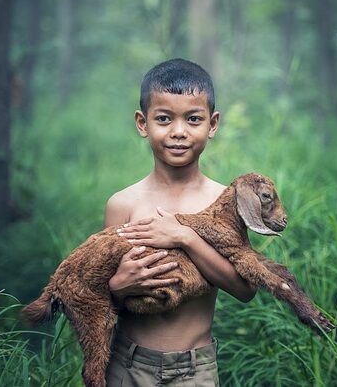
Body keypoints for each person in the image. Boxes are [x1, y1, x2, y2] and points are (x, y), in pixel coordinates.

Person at [104, 59, 256, 386]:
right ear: (142, 123)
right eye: (163, 119)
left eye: (193, 119)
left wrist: (186, 237)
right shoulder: (123, 204)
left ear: (212, 124)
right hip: (127, 365)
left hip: (195, 370)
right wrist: (118, 288)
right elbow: (98, 295)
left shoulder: (225, 203)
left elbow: (245, 289)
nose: (178, 132)